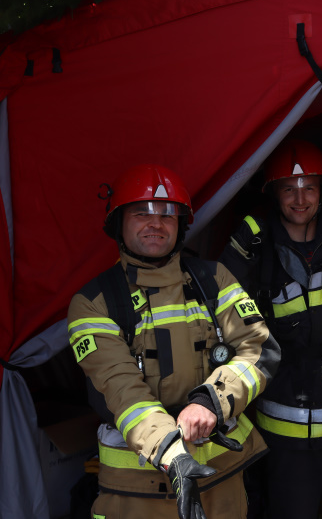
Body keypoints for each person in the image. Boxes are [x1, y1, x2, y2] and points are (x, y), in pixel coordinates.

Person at [68, 164, 280, 519]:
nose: (156, 223)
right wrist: (171, 452)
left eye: (167, 214)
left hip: (222, 479)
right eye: (142, 213)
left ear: (181, 225)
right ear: (118, 223)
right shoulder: (93, 303)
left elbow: (259, 349)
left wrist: (210, 402)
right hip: (136, 490)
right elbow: (122, 389)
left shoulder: (215, 279)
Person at [219, 139, 322, 519]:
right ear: (274, 194)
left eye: (309, 187)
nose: (300, 199)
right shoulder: (256, 248)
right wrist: (238, 250)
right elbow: (219, 304)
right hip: (283, 437)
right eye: (289, 189)